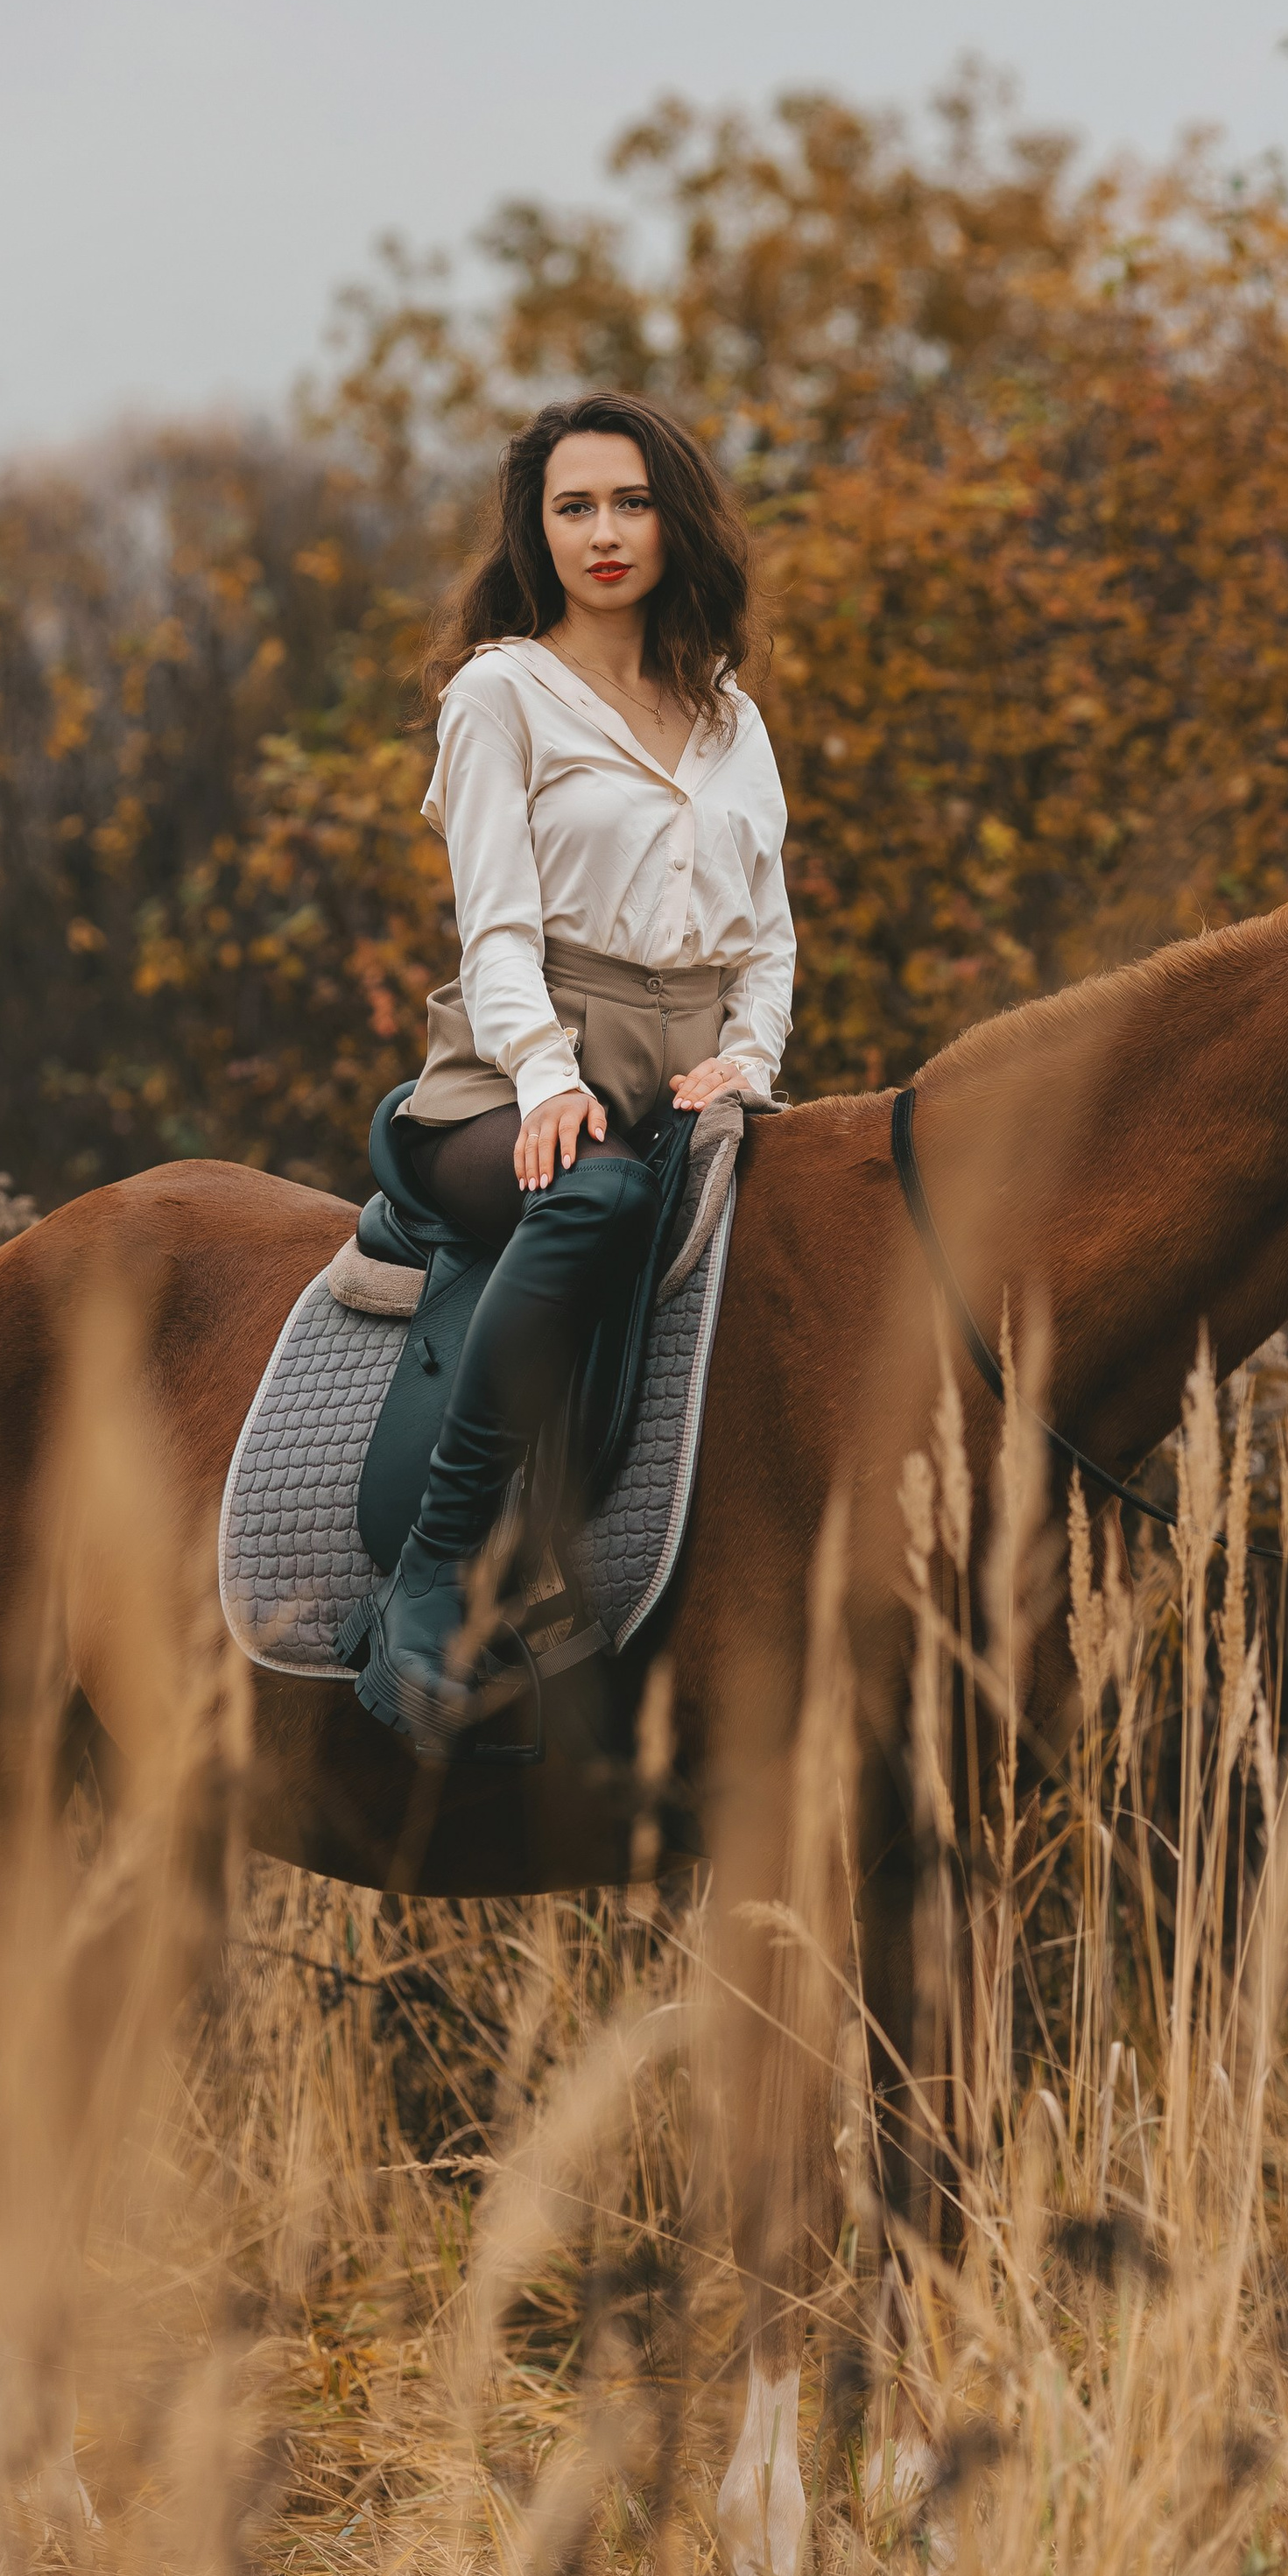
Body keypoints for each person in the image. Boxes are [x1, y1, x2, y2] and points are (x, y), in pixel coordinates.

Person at [355, 391, 794, 1752]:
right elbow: (493, 931)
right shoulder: (501, 695)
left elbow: (769, 935)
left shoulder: (732, 721)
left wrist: (748, 1061)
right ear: (536, 532)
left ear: (674, 519)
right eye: (573, 508)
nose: (605, 533)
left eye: (631, 502)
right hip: (507, 1077)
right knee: (592, 1201)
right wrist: (546, 1080)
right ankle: (432, 1576)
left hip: (688, 1084)